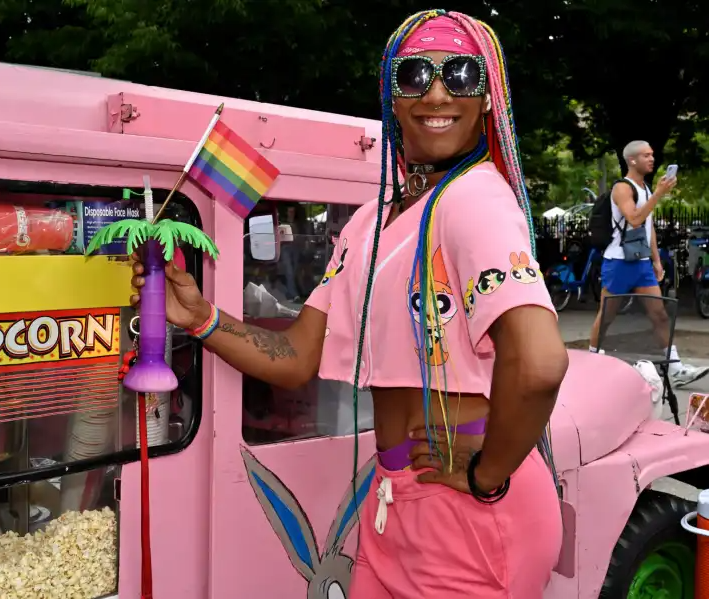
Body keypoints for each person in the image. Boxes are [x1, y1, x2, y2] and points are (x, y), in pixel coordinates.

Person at [131, 9, 566, 598]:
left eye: (461, 74)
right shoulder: (368, 223)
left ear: (488, 99)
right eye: (415, 75)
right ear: (392, 94)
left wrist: (488, 475)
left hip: (469, 516)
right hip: (394, 504)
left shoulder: (475, 201)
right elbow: (294, 357)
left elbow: (539, 364)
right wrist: (199, 316)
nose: (436, 91)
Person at [588, 140, 709, 387]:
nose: (652, 159)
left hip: (641, 263)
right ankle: (591, 362)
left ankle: (674, 369)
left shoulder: (645, 187)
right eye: (646, 155)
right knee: (607, 316)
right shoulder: (623, 188)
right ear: (632, 160)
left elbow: (647, 226)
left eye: (652, 154)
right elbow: (634, 219)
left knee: (660, 315)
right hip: (619, 262)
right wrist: (659, 194)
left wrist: (655, 259)